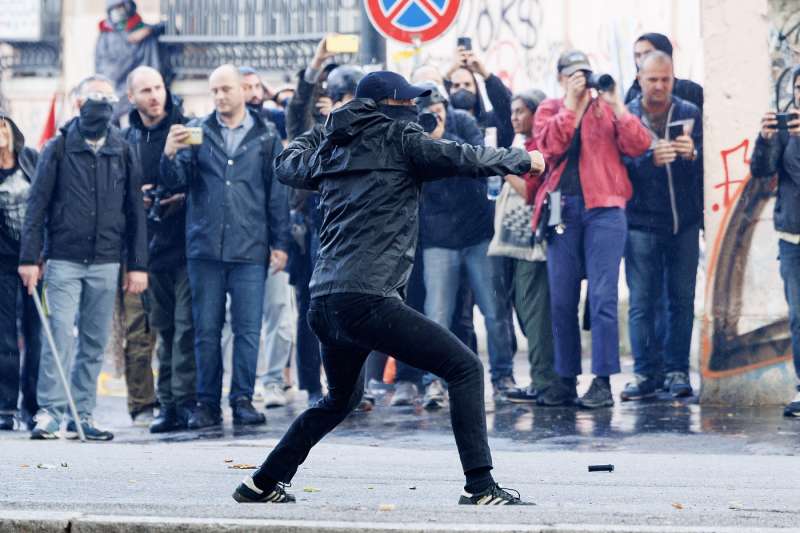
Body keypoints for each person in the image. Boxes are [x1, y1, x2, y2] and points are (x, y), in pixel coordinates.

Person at [232, 71, 542, 505]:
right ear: (389, 105)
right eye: (408, 101)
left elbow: (287, 162)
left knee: (339, 399)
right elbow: (462, 157)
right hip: (369, 297)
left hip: (325, 301)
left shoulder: (331, 146)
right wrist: (522, 159)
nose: (416, 108)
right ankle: (481, 487)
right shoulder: (401, 139)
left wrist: (330, 126)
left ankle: (261, 483)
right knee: (465, 368)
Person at [19, 75, 148, 440]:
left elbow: (135, 209)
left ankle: (83, 412)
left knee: (93, 340)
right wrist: (31, 258)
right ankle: (52, 411)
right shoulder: (57, 148)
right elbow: (37, 206)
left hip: (106, 260)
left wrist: (137, 265)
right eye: (95, 98)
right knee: (59, 334)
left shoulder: (122, 149)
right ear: (79, 103)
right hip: (63, 259)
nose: (102, 106)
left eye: (108, 99)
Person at [161, 65, 289, 429]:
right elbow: (176, 183)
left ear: (243, 91)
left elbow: (276, 193)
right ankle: (207, 402)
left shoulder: (265, 134)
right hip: (205, 247)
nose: (219, 97)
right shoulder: (198, 131)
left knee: (248, 329)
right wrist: (170, 154)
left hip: (250, 247)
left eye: (226, 89)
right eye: (214, 90)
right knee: (206, 329)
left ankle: (243, 398)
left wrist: (280, 243)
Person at [531, 50, 650, 409]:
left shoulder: (607, 110)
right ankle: (565, 379)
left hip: (606, 210)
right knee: (562, 300)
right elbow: (549, 146)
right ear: (560, 78)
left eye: (584, 74)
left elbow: (640, 144)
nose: (581, 81)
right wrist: (571, 104)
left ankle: (602, 381)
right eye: (572, 74)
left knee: (603, 298)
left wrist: (618, 106)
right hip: (562, 209)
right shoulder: (549, 109)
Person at [412, 84, 518, 405]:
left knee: (495, 310)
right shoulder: (412, 133)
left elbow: (480, 161)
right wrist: (426, 142)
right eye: (428, 113)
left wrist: (444, 139)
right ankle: (433, 382)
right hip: (438, 236)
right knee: (437, 315)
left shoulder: (464, 123)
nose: (435, 116)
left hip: (476, 232)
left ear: (446, 106)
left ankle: (503, 376)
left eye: (439, 109)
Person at [621, 51, 702, 401]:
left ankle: (677, 370)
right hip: (639, 221)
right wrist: (647, 159)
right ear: (639, 78)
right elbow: (617, 164)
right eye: (652, 79)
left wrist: (692, 153)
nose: (659, 86)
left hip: (682, 222)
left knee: (681, 300)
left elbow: (706, 168)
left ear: (673, 78)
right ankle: (644, 373)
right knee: (641, 301)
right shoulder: (628, 116)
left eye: (665, 79)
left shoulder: (688, 112)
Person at [123, 66, 196, 432]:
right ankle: (164, 404)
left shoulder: (186, 127)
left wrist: (176, 182)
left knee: (186, 328)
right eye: (146, 90)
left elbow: (199, 180)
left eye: (158, 88)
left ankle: (183, 402)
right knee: (161, 329)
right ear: (131, 97)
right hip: (147, 249)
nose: (154, 96)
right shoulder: (126, 139)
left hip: (186, 242)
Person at [497, 90, 559, 404]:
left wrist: (504, 168)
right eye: (513, 112)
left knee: (534, 313)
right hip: (515, 245)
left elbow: (529, 193)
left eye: (521, 111)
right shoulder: (522, 145)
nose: (515, 118)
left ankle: (544, 381)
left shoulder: (538, 147)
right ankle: (543, 378)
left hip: (532, 245)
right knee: (526, 310)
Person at [750, 65, 800, 418]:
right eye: (799, 87)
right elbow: (762, 171)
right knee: (799, 316)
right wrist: (766, 139)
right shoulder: (787, 129)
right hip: (791, 236)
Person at [0, 111, 41, 431]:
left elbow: (46, 205)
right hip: (2, 259)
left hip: (34, 258)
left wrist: (41, 255)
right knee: (5, 336)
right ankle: (5, 406)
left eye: (2, 125)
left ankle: (33, 405)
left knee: (35, 332)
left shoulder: (31, 159)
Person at [95, 1, 167, 120]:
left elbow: (167, 26)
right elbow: (102, 64)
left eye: (120, 6)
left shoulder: (140, 28)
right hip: (115, 91)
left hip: (137, 94)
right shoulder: (105, 34)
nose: (118, 11)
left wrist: (148, 31)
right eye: (114, 7)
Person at [445, 46, 514, 148]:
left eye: (467, 84)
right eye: (456, 85)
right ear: (448, 90)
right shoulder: (443, 127)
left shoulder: (492, 121)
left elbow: (507, 107)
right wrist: (447, 75)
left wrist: (485, 75)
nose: (462, 88)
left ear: (476, 89)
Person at [624, 33, 703, 110]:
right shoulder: (632, 95)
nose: (642, 60)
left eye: (647, 53)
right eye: (638, 55)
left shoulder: (690, 91)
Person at [240, 66, 287, 141]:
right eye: (246, 88)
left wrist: (276, 96)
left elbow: (301, 116)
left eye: (257, 86)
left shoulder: (270, 116)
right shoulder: (228, 120)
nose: (254, 93)